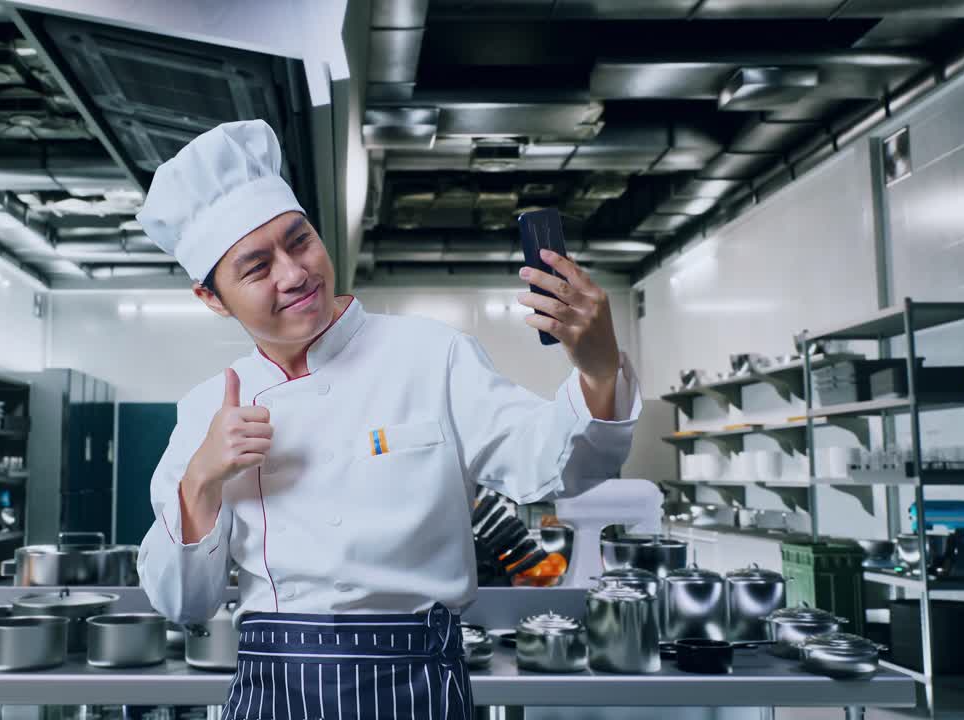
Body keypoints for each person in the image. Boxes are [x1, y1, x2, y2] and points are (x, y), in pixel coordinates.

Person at [136, 119, 641, 720]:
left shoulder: (432, 356)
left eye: (300, 241)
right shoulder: (205, 412)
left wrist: (599, 369)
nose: (294, 273)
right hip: (275, 692)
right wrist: (201, 481)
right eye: (256, 268)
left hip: (418, 686)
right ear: (212, 298)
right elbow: (182, 603)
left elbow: (563, 468)